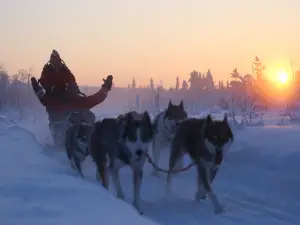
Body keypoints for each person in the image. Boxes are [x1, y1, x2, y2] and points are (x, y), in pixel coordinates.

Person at [31, 49, 113, 145]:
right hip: (59, 119)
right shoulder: (55, 101)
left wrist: (105, 88)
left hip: (75, 127)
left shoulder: (77, 100)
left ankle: (86, 138)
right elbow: (44, 99)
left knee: (87, 115)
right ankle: (62, 139)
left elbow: (94, 99)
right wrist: (38, 89)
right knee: (58, 123)